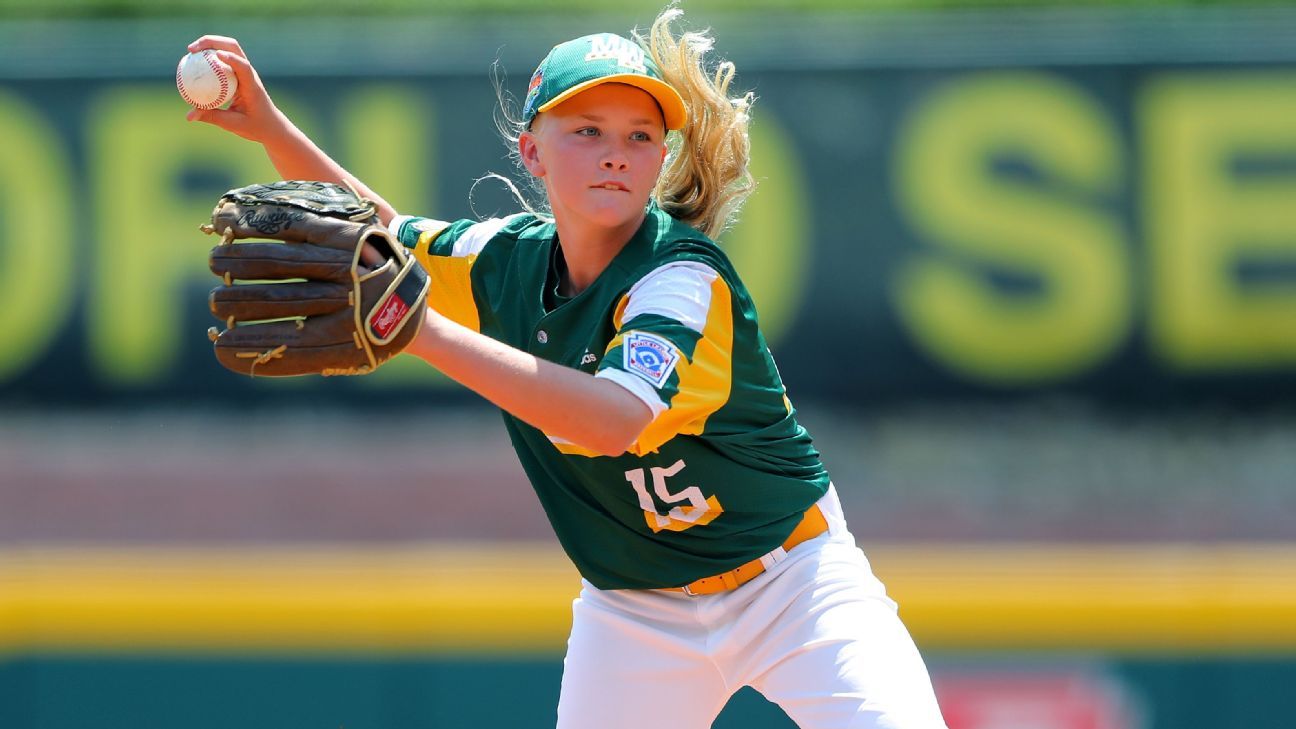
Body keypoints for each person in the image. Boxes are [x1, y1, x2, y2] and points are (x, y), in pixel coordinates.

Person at [187, 8, 948, 728]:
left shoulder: (682, 281)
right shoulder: (505, 260)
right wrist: (267, 125)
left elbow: (611, 420)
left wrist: (419, 330)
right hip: (634, 609)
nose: (616, 151)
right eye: (587, 129)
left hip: (791, 583)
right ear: (532, 150)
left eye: (641, 135)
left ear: (659, 158)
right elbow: (383, 234)